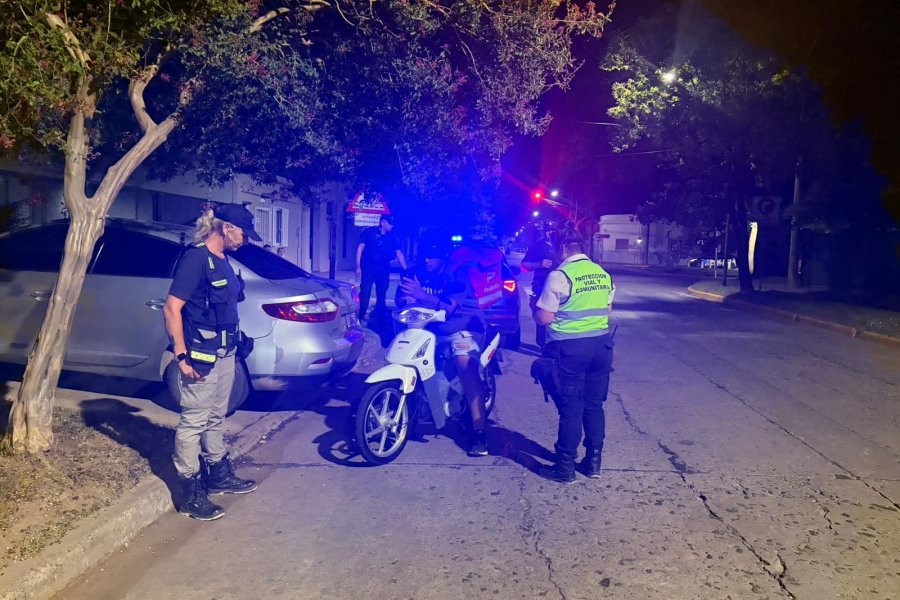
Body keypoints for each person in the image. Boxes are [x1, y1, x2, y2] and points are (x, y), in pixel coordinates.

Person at [163, 204, 261, 520]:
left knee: (216, 415)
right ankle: (190, 492)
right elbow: (171, 308)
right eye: (244, 233)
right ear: (226, 228)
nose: (246, 240)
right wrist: (180, 354)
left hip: (226, 352)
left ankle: (218, 473)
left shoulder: (224, 260)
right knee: (194, 420)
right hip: (201, 357)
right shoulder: (195, 259)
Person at [532, 227, 615, 484]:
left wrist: (535, 307)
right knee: (594, 404)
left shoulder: (560, 276)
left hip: (570, 351)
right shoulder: (602, 273)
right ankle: (593, 462)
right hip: (601, 347)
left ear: (562, 249)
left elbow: (544, 318)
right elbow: (607, 308)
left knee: (571, 407)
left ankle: (564, 468)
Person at [398, 243, 490, 457]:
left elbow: (450, 306)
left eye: (432, 256)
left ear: (444, 258)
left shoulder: (458, 274)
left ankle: (479, 432)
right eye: (425, 255)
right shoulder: (416, 273)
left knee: (465, 365)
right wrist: (406, 299)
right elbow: (401, 299)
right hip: (428, 327)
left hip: (463, 327)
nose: (426, 260)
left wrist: (420, 295)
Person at [356, 214, 407, 321]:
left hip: (383, 267)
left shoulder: (392, 237)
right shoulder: (369, 232)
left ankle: (377, 316)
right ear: (383, 223)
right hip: (369, 266)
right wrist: (358, 266)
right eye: (390, 223)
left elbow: (399, 253)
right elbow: (360, 249)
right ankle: (361, 315)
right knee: (365, 291)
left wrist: (406, 269)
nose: (392, 226)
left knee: (382, 291)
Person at [521, 221, 557, 348]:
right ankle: (542, 344)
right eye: (548, 230)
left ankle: (556, 344)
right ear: (544, 231)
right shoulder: (537, 246)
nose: (550, 233)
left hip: (559, 288)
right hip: (541, 286)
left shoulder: (562, 246)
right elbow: (524, 265)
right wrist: (538, 264)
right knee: (541, 317)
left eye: (553, 230)